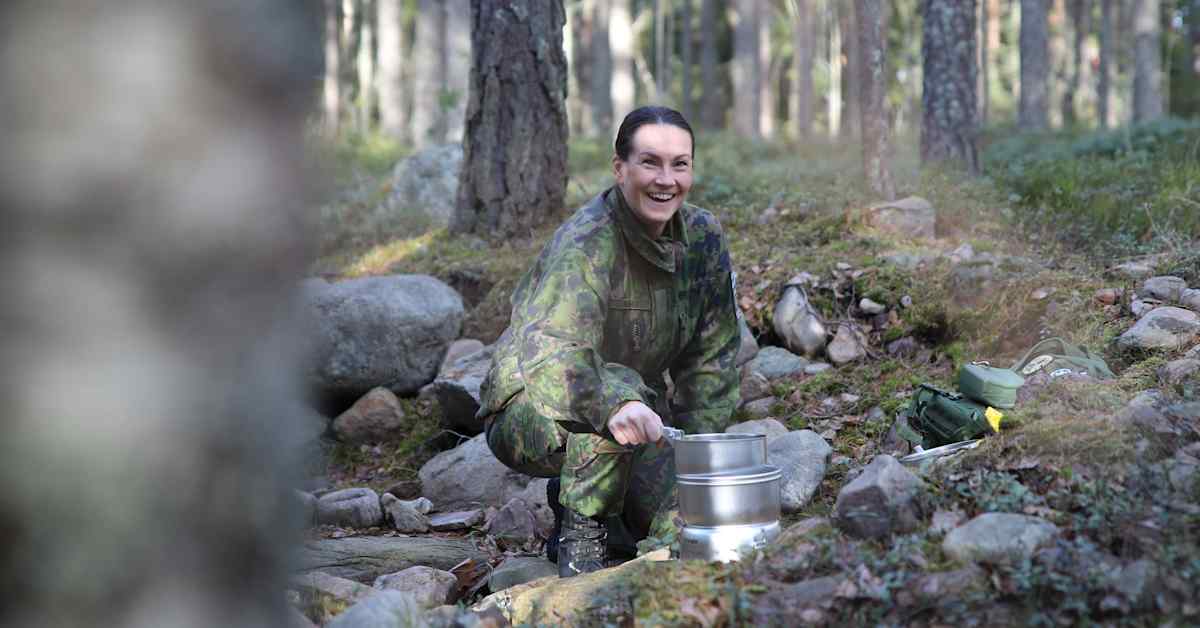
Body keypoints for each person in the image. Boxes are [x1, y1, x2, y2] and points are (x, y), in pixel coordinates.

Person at [476, 106, 740, 577]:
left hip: (634, 410)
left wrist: (701, 455)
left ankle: (617, 526)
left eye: (680, 164)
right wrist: (614, 403)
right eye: (649, 162)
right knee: (616, 395)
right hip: (535, 407)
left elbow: (711, 361)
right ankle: (583, 540)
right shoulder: (587, 242)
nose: (666, 179)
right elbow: (555, 357)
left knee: (688, 515)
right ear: (620, 169)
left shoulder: (702, 239)